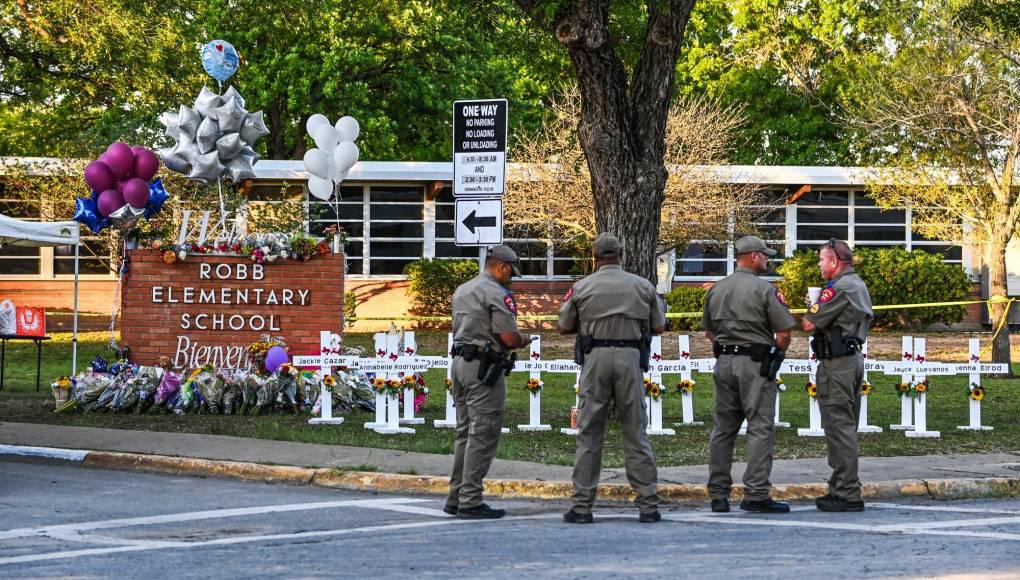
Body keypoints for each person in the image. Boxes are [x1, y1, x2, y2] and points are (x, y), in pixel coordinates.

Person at [558, 233, 666, 524]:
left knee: (589, 431)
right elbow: (659, 325)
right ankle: (648, 504)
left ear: (594, 257)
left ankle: (582, 506)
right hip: (630, 357)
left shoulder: (581, 287)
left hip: (595, 359)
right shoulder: (642, 286)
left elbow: (564, 326)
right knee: (636, 431)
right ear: (621, 254)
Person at [701, 235, 795, 514]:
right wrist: (776, 356)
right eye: (764, 255)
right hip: (754, 363)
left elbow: (708, 332)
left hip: (725, 361)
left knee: (723, 429)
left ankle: (718, 494)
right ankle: (755, 492)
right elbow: (784, 333)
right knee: (760, 427)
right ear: (753, 256)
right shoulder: (764, 290)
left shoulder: (716, 290)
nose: (767, 259)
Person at [446, 244, 531, 520]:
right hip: (483, 368)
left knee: (464, 433)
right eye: (511, 272)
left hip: (459, 365)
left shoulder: (462, 289)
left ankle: (456, 496)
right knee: (483, 433)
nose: (511, 277)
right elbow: (507, 337)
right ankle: (470, 499)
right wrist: (524, 339)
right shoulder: (496, 293)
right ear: (502, 267)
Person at [802, 239, 873, 512]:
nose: (819, 265)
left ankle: (846, 492)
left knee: (839, 428)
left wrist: (815, 304)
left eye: (821, 260)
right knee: (846, 426)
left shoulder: (839, 288)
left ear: (834, 262)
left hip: (837, 364)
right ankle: (841, 485)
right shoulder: (857, 283)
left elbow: (809, 323)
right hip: (852, 360)